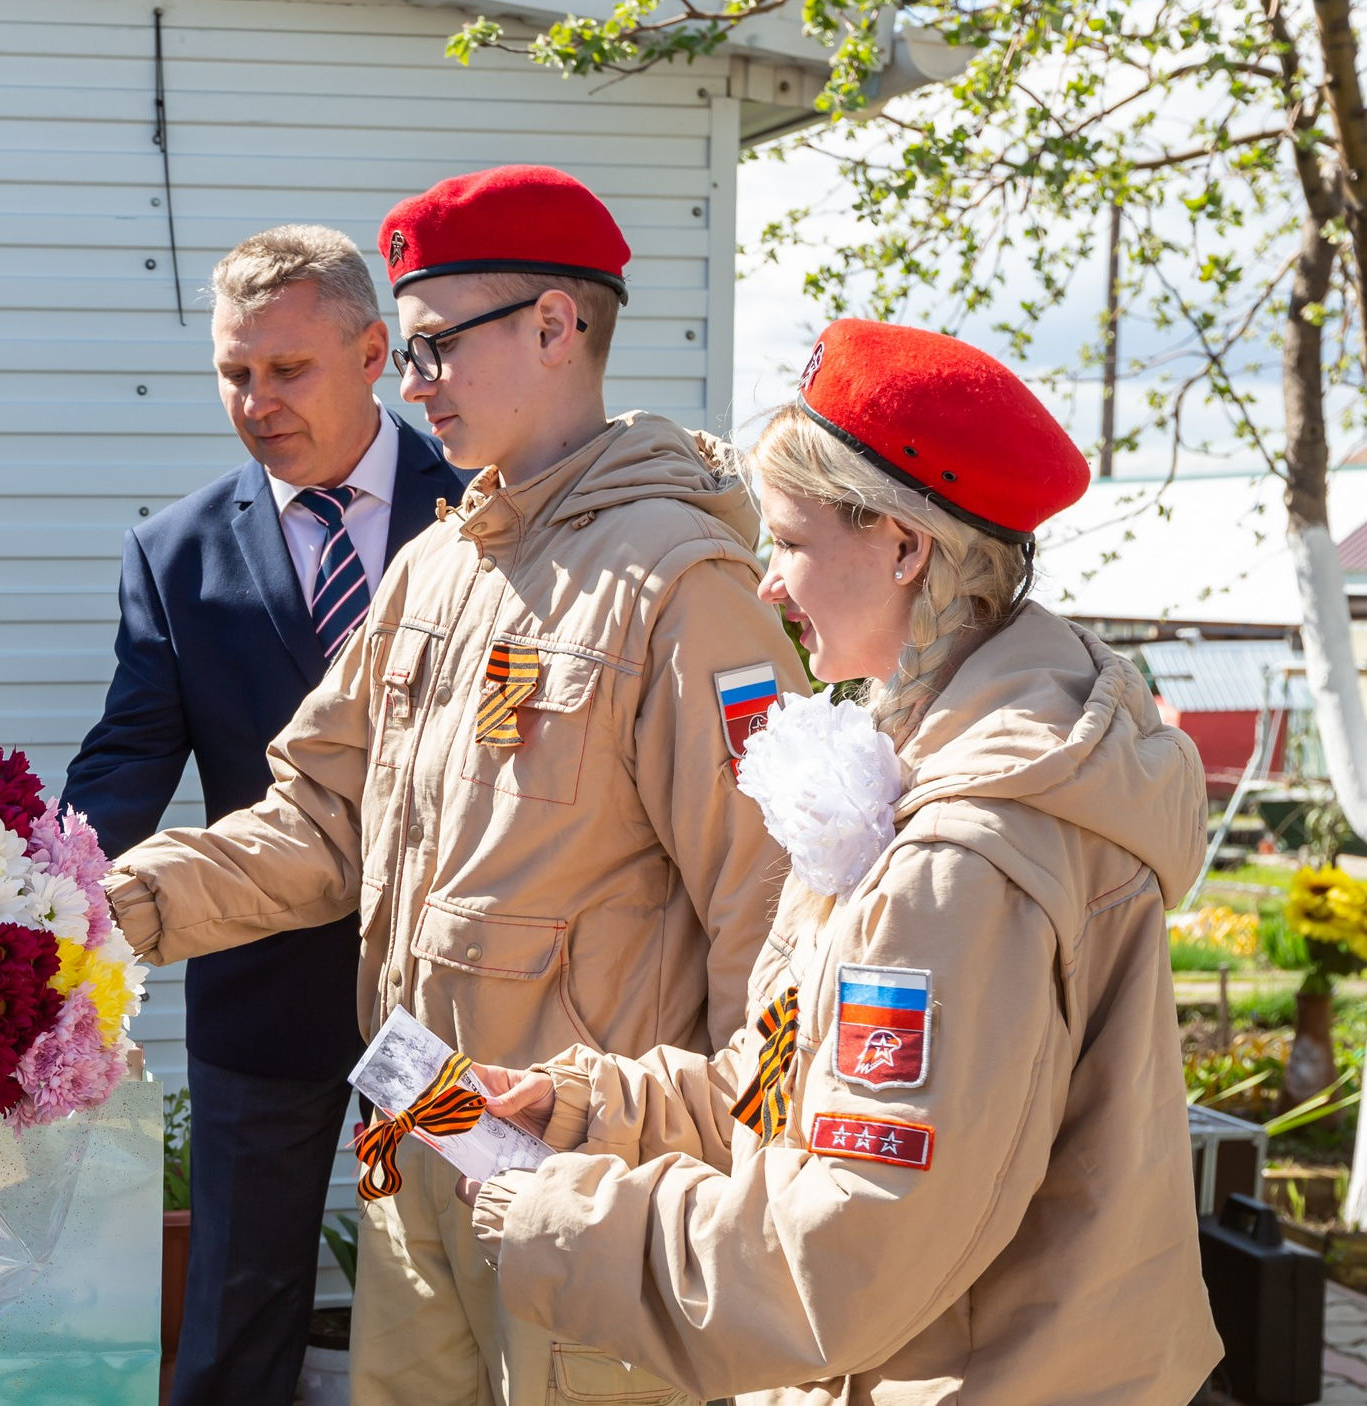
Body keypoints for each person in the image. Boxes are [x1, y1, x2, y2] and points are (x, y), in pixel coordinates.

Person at [101, 166, 807, 1406]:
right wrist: (111, 907)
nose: (411, 385)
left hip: (585, 1162)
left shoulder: (680, 582)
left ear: (554, 325)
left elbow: (772, 908)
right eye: (408, 356)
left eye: (430, 350)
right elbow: (323, 824)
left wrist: (758, 1170)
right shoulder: (436, 568)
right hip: (417, 1119)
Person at [452, 320, 1222, 1404]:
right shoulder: (945, 773)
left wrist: (549, 1209)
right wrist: (587, 1110)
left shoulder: (953, 862)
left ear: (903, 547)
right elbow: (789, 1089)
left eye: (791, 542)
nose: (767, 584)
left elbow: (843, 1258)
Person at [63, 225, 464, 1406]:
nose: (256, 400)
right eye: (234, 372)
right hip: (261, 983)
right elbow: (130, 753)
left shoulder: (488, 514)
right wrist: (40, 898)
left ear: (372, 353)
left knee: (453, 1298)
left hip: (448, 993)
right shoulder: (173, 550)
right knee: (236, 1313)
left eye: (286, 370)